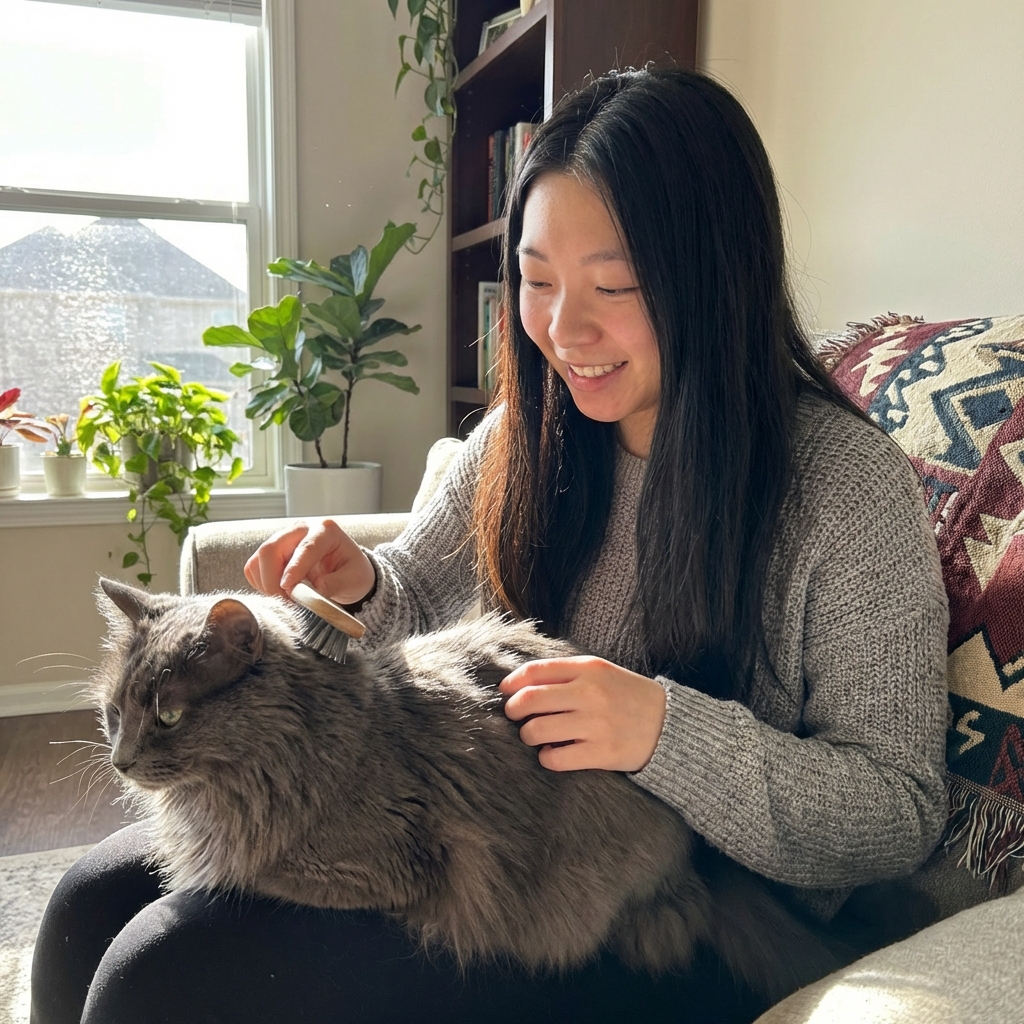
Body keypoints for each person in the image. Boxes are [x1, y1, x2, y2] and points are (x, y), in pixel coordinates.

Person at [31, 67, 949, 1024]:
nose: (563, 330)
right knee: (85, 906)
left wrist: (661, 733)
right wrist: (360, 584)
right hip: (487, 821)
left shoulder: (846, 489)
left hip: (655, 914)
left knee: (161, 974)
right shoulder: (530, 428)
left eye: (616, 286)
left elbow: (896, 813)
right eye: (537, 280)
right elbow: (418, 595)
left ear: (717, 278)